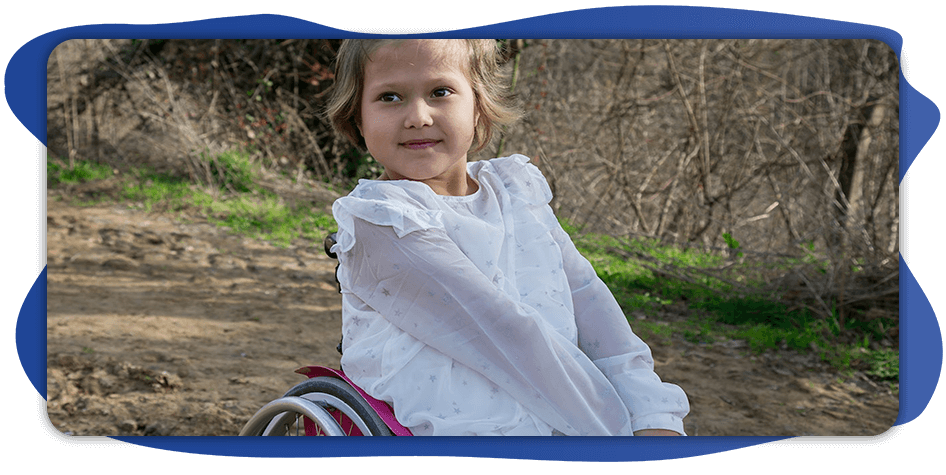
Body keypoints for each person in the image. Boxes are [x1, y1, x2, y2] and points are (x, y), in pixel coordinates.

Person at [323, 38, 688, 436]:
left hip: (567, 410)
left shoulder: (516, 191)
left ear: (478, 104)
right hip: (459, 424)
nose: (418, 116)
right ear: (357, 117)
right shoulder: (382, 220)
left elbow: (592, 306)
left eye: (440, 92)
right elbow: (506, 334)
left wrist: (652, 415)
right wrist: (614, 434)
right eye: (389, 97)